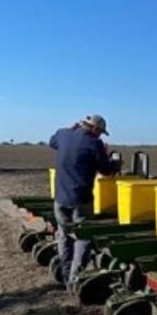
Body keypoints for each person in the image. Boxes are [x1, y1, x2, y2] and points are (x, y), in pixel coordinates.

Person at [48, 114, 119, 288]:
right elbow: (106, 170)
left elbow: (52, 141)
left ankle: (66, 277)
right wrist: (115, 162)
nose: (100, 135)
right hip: (81, 199)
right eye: (100, 132)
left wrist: (71, 129)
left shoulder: (63, 134)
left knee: (64, 236)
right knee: (83, 238)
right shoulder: (94, 143)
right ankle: (75, 280)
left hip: (60, 198)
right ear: (94, 129)